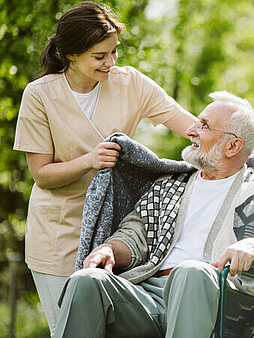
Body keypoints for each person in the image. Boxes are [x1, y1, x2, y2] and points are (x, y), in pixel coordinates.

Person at [54, 91, 254, 337]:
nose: (191, 131)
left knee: (191, 272)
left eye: (204, 126)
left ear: (232, 146)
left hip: (223, 298)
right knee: (87, 281)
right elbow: (134, 236)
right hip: (150, 295)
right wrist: (108, 249)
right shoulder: (170, 185)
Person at [12, 2, 195, 336]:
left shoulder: (131, 84)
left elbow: (193, 128)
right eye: (100, 56)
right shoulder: (39, 95)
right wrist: (90, 161)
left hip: (113, 234)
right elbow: (42, 174)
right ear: (71, 54)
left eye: (114, 52)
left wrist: (246, 143)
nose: (111, 63)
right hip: (58, 234)